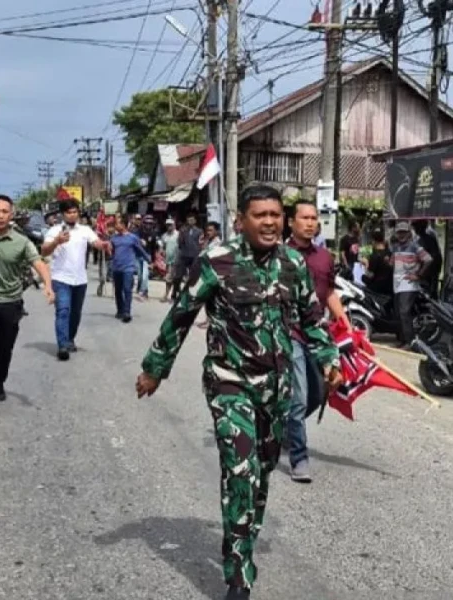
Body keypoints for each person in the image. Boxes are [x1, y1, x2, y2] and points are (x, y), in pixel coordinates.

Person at [135, 185, 341, 600]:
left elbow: (311, 317)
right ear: (241, 221)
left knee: (261, 474)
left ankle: (243, 538)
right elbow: (180, 317)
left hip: (277, 388)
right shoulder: (217, 262)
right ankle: (239, 573)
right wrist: (154, 369)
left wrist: (328, 358)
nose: (269, 222)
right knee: (240, 471)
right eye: (260, 215)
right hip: (230, 382)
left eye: (275, 215)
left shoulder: (293, 265)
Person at [0, 195, 54, 420]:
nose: (0, 215)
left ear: (11, 214)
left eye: (4, 211)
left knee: (4, 350)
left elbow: (39, 263)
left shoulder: (22, 241)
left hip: (11, 303)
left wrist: (48, 285)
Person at [285, 200, 350, 483]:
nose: (310, 223)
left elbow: (329, 292)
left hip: (318, 333)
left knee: (316, 394)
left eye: (314, 218)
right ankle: (299, 457)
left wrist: (345, 323)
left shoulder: (325, 257)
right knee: (299, 397)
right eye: (304, 218)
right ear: (291, 222)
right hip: (290, 333)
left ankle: (286, 427)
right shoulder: (280, 255)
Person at [41, 199, 111, 361]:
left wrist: (104, 244)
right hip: (61, 278)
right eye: (68, 212)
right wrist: (57, 241)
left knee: (75, 314)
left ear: (78, 213)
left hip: (80, 279)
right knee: (63, 311)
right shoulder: (54, 231)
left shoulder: (85, 230)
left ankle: (70, 339)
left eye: (74, 212)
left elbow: (96, 242)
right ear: (63, 214)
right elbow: (44, 251)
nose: (72, 215)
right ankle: (62, 346)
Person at [390, 221, 432, 348]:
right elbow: (392, 263)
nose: (401, 235)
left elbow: (428, 260)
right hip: (397, 285)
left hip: (409, 285)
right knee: (398, 313)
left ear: (409, 233)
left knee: (404, 312)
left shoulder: (415, 247)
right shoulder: (396, 247)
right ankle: (403, 340)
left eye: (404, 232)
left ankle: (410, 342)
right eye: (399, 232)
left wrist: (418, 275)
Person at [110, 215, 150, 322]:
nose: (115, 226)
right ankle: (120, 310)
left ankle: (127, 312)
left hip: (128, 268)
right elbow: (111, 252)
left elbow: (140, 250)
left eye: (117, 223)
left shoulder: (132, 238)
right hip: (116, 268)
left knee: (127, 289)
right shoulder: (113, 238)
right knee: (118, 290)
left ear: (123, 225)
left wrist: (149, 260)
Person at [173, 213, 201, 300]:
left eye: (192, 220)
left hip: (194, 256)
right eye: (189, 220)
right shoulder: (183, 230)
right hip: (184, 255)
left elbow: (201, 243)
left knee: (191, 276)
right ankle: (175, 290)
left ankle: (186, 292)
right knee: (178, 275)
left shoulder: (199, 231)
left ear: (195, 221)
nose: (190, 221)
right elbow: (179, 243)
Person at [412, 220, 442, 298]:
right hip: (423, 272)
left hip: (429, 272)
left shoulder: (429, 239)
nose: (415, 229)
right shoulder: (419, 240)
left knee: (430, 294)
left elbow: (435, 257)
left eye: (416, 227)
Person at [362, 229, 393, 295]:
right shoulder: (390, 253)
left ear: (373, 241)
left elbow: (369, 276)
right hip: (390, 288)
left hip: (376, 290)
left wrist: (366, 264)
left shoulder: (375, 256)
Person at [161, 218, 179, 302]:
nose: (169, 226)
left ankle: (172, 295)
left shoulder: (178, 235)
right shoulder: (164, 236)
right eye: (167, 225)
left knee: (175, 279)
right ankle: (169, 295)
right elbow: (162, 247)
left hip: (177, 260)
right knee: (169, 279)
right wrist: (162, 252)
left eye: (170, 225)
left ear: (174, 225)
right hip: (168, 261)